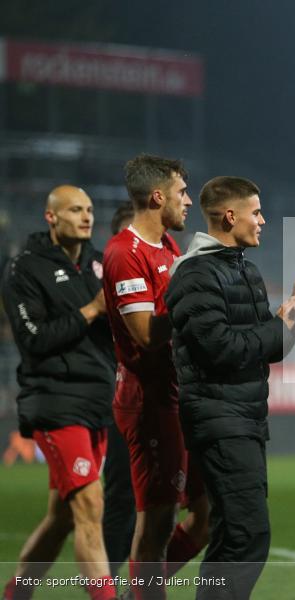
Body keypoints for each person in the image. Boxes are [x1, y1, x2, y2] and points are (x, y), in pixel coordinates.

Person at [165, 176, 295, 599]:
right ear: (231, 216)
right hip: (219, 418)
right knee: (248, 536)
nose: (263, 221)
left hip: (244, 417)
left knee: (234, 534)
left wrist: (291, 323)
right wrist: (275, 327)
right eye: (256, 212)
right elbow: (222, 349)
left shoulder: (243, 268)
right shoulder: (195, 274)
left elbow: (267, 349)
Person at [1, 186, 117, 600]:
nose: (86, 217)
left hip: (95, 402)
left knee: (62, 518)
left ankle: (16, 593)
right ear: (51, 217)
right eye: (74, 210)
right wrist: (91, 310)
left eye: (88, 209)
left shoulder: (102, 265)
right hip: (54, 400)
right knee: (89, 505)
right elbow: (33, 339)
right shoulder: (25, 268)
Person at [102, 154, 209, 599]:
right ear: (158, 196)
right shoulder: (123, 254)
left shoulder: (168, 246)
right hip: (149, 402)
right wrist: (191, 298)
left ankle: (137, 593)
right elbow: (146, 332)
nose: (189, 201)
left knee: (207, 517)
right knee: (157, 521)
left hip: (180, 394)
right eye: (182, 192)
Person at [103, 201, 137, 577]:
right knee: (121, 497)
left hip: (168, 401)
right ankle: (110, 581)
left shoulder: (167, 262)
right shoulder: (111, 273)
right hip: (122, 400)